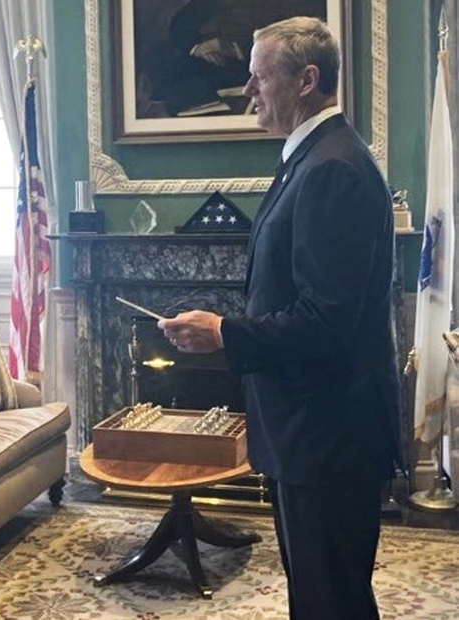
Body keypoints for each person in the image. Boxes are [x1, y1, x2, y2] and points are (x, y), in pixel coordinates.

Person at [158, 17, 401, 620]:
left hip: (327, 436)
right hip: (311, 432)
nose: (247, 93)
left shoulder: (333, 170)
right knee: (320, 595)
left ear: (307, 79)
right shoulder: (310, 159)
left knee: (331, 601)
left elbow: (326, 322)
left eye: (259, 78)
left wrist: (226, 333)